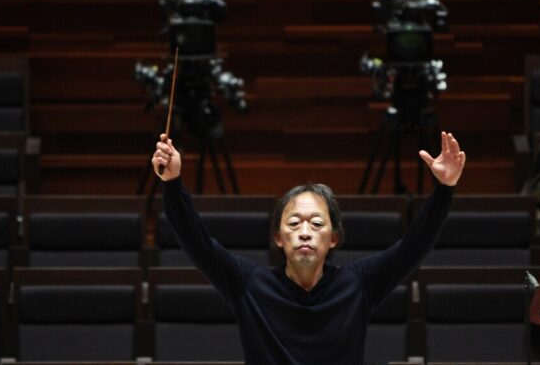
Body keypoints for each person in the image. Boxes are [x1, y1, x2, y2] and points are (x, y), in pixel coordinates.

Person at [152, 131, 465, 364]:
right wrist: (172, 182)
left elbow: (413, 247)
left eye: (316, 224)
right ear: (278, 238)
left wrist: (444, 190)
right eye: (294, 224)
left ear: (333, 239)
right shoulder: (249, 284)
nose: (304, 232)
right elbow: (197, 244)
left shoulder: (358, 283)